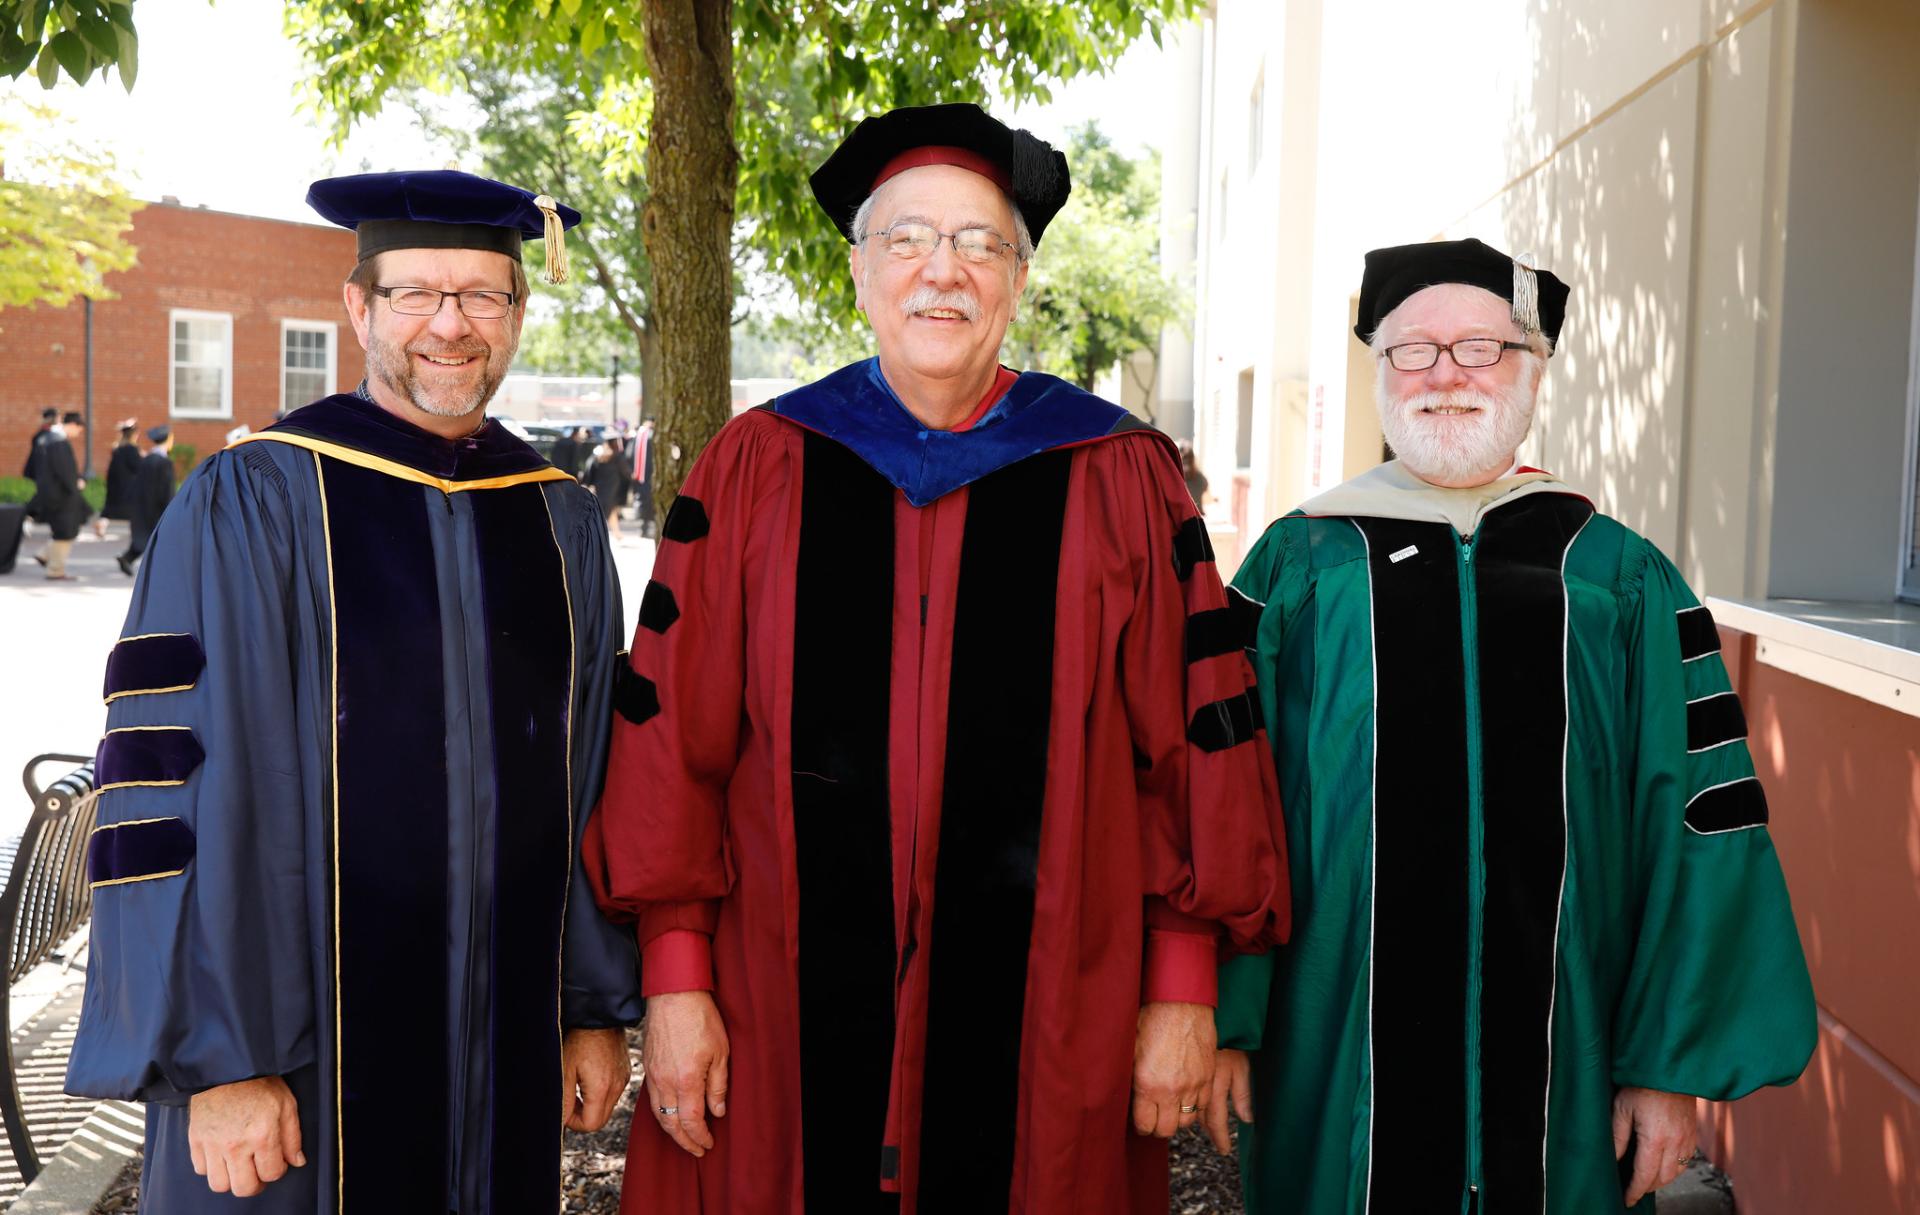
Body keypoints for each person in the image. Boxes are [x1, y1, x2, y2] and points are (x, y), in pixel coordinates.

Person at [584, 102, 1290, 1215]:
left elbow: (1194, 752)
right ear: (860, 274)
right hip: (777, 1016)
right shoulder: (758, 469)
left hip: (1055, 1022)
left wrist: (1184, 986)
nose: (940, 273)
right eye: (905, 240)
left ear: (1018, 282)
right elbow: (671, 742)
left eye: (978, 244)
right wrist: (674, 978)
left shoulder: (1119, 476)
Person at [66, 169, 643, 1213]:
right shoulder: (257, 496)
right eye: (418, 294)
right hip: (288, 1063)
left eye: (481, 296)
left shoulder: (556, 520)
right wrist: (221, 1056)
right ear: (360, 305)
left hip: (502, 1049)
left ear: (516, 311)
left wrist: (590, 1004)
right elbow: (169, 784)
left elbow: (594, 773)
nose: (451, 326)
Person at [1209, 238, 1816, 1214]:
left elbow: (1697, 831)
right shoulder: (1293, 569)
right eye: (1413, 350)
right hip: (1333, 1070)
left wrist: (1666, 1067)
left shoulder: (1620, 579)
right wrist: (1225, 1020)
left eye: (1482, 348)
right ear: (1380, 374)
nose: (1446, 374)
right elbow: (1224, 811)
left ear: (1534, 371)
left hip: (1565, 1081)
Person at [31, 412, 88, 580]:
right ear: (72, 425)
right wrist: (76, 483)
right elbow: (64, 471)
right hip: (61, 495)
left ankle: (44, 555)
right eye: (78, 429)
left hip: (51, 492)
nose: (78, 434)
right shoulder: (58, 442)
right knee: (65, 530)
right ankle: (55, 570)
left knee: (63, 529)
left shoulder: (45, 438)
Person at [117, 425, 176, 576]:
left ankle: (128, 559)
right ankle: (158, 570)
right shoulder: (164, 463)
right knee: (159, 539)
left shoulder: (147, 459)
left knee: (145, 537)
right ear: (168, 440)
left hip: (142, 505)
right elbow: (167, 490)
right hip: (158, 508)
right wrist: (172, 508)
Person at [99, 418, 141, 539]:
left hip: (115, 482)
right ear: (133, 435)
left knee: (111, 506)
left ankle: (102, 523)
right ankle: (137, 532)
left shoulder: (118, 448)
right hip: (128, 484)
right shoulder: (132, 449)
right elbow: (137, 467)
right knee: (136, 509)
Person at [21, 406, 58, 529]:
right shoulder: (45, 434)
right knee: (44, 493)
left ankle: (34, 516)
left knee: (46, 493)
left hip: (40, 469)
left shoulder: (42, 433)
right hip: (42, 469)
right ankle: (27, 514)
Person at [586, 441, 626, 541]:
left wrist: (589, 484)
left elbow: (590, 470)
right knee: (608, 511)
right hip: (611, 489)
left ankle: (616, 533)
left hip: (599, 488)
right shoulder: (616, 457)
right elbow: (624, 471)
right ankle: (609, 534)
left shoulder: (597, 456)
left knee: (606, 511)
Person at [630, 418, 656, 538]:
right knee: (650, 502)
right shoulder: (653, 437)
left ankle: (644, 528)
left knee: (643, 500)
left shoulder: (637, 437)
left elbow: (629, 454)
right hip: (651, 475)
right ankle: (648, 527)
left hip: (639, 475)